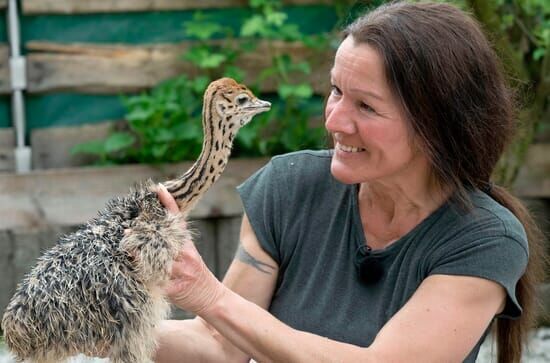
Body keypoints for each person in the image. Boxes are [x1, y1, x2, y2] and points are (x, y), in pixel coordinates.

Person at [154, 2, 546, 362]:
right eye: (336, 91)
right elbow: (220, 346)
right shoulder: (290, 187)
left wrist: (209, 295)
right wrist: (107, 326)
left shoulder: (485, 241)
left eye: (366, 106)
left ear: (436, 124)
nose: (333, 121)